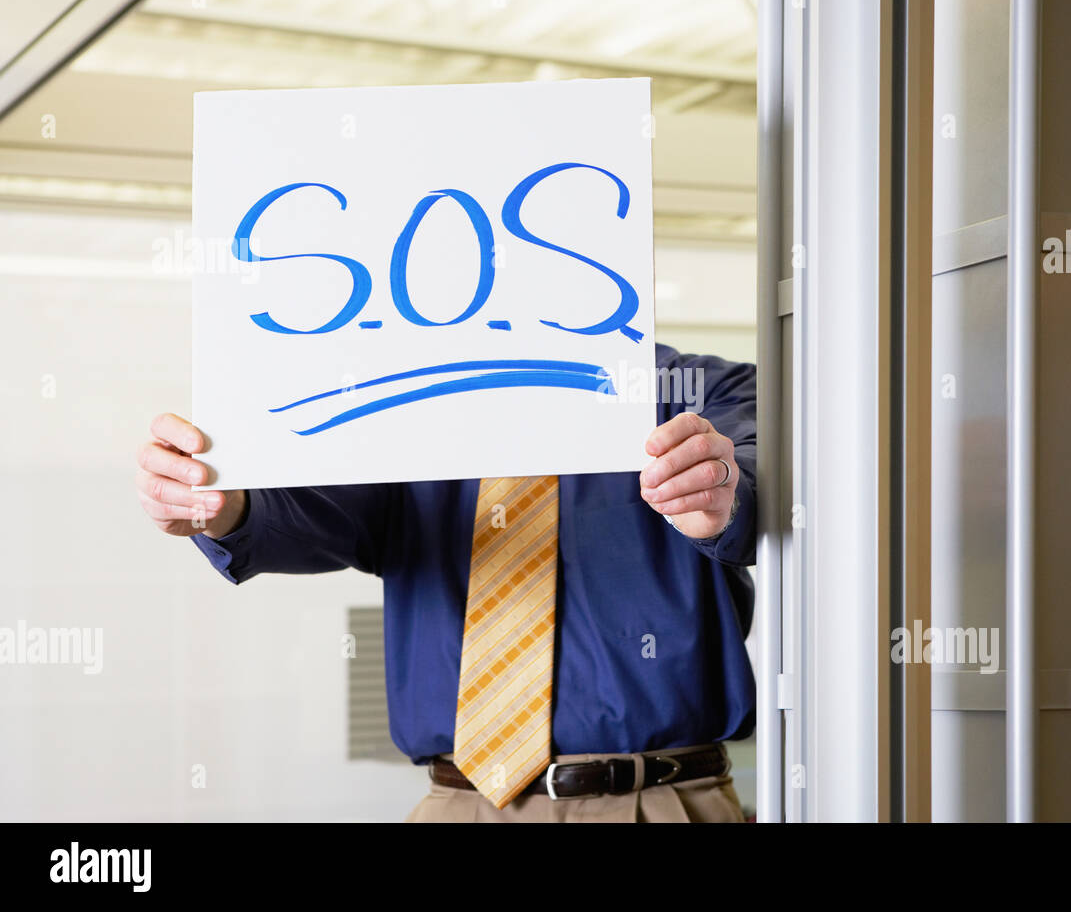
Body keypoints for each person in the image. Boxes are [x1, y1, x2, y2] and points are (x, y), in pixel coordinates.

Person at [136, 343, 757, 822]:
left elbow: (772, 486)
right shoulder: (397, 408)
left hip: (658, 803)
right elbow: (308, 510)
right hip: (460, 804)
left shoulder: (701, 394)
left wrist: (724, 490)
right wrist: (227, 504)